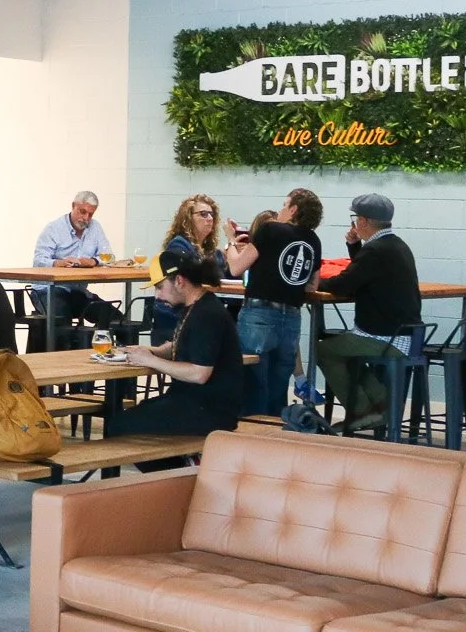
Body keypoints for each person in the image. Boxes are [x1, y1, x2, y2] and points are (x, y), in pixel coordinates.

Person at [105, 248, 245, 463]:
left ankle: (179, 472)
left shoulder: (207, 315)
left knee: (118, 428)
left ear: (179, 281)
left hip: (210, 411)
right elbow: (181, 345)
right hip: (191, 402)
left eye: (160, 287)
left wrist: (151, 360)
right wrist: (149, 351)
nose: (158, 296)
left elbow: (199, 373)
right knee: (126, 418)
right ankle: (178, 470)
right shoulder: (195, 306)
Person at [314, 193, 422, 430]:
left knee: (323, 350)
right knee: (347, 354)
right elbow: (363, 273)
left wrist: (313, 282)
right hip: (405, 336)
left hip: (384, 338)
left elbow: (343, 284)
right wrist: (355, 247)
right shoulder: (397, 245)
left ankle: (362, 411)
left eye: (355, 219)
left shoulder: (375, 251)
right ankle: (382, 408)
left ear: (362, 221)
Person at [227, 188, 323, 415]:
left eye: (284, 204)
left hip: (259, 314)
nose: (281, 209)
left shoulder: (270, 229)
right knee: (278, 387)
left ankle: (252, 431)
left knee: (254, 382)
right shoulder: (313, 241)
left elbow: (236, 267)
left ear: (294, 209)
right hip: (292, 317)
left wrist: (230, 242)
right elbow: (312, 285)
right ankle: (275, 430)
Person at [30, 190, 122, 340]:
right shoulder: (54, 228)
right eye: (82, 212)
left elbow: (109, 257)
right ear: (73, 206)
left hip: (77, 292)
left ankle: (99, 348)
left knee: (115, 318)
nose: (86, 218)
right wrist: (58, 263)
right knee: (62, 322)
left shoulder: (95, 227)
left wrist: (93, 261)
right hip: (48, 291)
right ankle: (68, 352)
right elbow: (38, 261)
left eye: (91, 214)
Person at [154, 194, 230, 341]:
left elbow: (222, 273)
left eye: (212, 214)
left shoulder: (208, 248)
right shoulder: (179, 244)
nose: (210, 218)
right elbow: (195, 278)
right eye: (203, 214)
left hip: (194, 310)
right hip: (174, 312)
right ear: (188, 218)